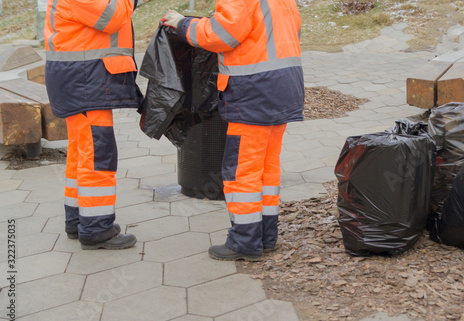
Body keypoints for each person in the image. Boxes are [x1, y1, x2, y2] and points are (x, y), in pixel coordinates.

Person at [161, 0, 304, 261]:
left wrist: (182, 24)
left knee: (242, 170)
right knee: (267, 166)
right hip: (284, 88)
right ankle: (265, 236)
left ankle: (245, 241)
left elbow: (221, 35)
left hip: (254, 92)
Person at [44, 0, 144, 249]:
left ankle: (79, 219)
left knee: (82, 152)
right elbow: (113, 16)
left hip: (81, 77)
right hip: (85, 79)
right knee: (97, 155)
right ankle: (96, 228)